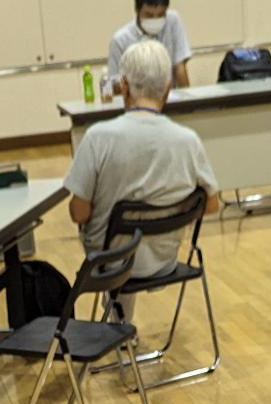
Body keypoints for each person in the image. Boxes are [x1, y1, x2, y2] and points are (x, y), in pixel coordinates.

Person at [66, 39, 222, 282]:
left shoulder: (98, 137)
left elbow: (78, 212)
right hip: (165, 263)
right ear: (168, 88)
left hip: (108, 264)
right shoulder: (188, 141)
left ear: (124, 86)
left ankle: (115, 315)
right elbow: (211, 205)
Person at [108, 0, 192, 95]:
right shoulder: (120, 40)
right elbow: (114, 85)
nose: (155, 20)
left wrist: (188, 102)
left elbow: (179, 68)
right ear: (137, 11)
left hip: (169, 99)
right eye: (149, 15)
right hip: (136, 103)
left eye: (161, 15)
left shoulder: (172, 20)